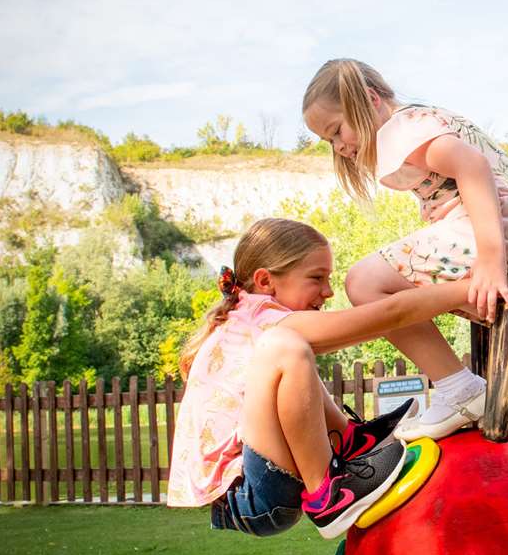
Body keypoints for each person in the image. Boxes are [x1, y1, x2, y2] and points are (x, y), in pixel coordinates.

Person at [166, 218, 468, 538]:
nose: (329, 291)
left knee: (295, 349)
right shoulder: (264, 321)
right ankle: (328, 494)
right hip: (249, 493)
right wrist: (465, 289)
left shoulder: (250, 317)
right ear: (266, 280)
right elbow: (387, 315)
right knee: (286, 347)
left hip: (256, 484)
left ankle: (349, 441)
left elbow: (371, 326)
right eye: (317, 278)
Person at [302, 59, 508, 442]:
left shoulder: (400, 129)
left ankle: (460, 390)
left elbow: (473, 166)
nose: (339, 146)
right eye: (328, 141)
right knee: (386, 279)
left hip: (498, 232)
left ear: (369, 100)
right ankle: (460, 388)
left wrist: (490, 261)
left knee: (364, 282)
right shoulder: (417, 123)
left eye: (337, 131)